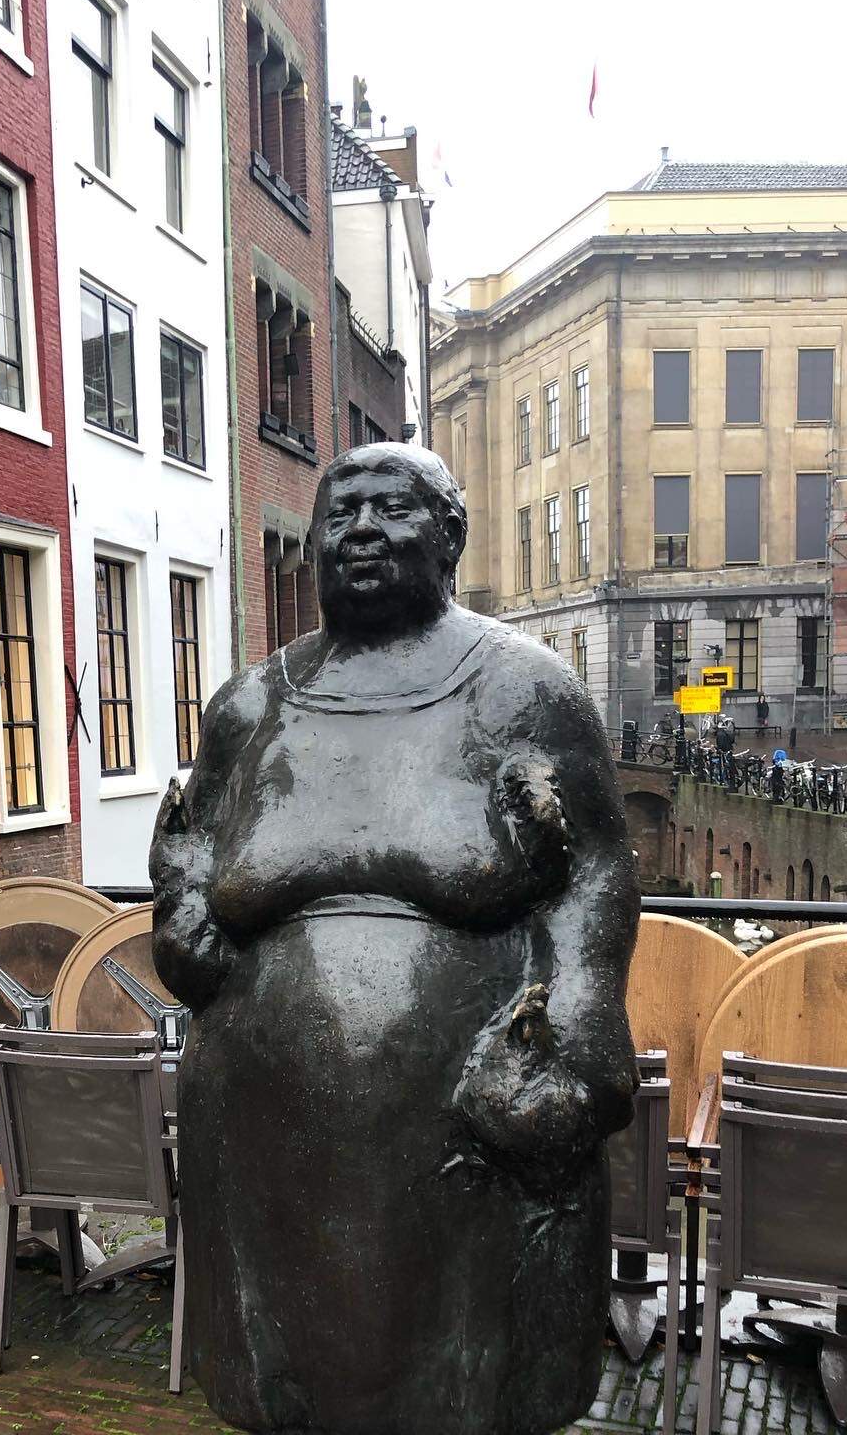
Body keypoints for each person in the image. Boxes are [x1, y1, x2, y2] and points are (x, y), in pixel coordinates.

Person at [150, 444, 640, 1435]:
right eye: (342, 513)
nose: (361, 531)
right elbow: (188, 850)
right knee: (287, 1385)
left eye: (391, 509)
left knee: (458, 1386)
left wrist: (578, 1031)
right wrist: (186, 917)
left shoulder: (523, 692)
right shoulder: (251, 706)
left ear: (449, 537)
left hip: (459, 1128)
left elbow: (595, 872)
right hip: (261, 1120)